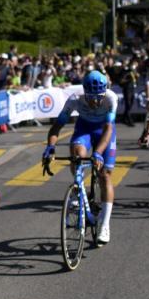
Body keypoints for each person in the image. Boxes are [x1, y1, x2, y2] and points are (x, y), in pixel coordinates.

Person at [42, 70, 118, 245]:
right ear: (85, 92)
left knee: (105, 174)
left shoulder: (111, 98)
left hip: (104, 131)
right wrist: (50, 147)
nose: (95, 101)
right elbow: (56, 127)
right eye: (91, 97)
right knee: (77, 156)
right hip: (84, 129)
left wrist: (98, 152)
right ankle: (78, 190)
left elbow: (108, 130)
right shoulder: (75, 99)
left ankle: (104, 225)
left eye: (98, 97)